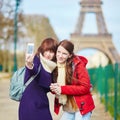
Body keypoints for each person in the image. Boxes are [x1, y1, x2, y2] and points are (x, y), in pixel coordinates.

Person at [50, 40, 95, 120]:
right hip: (68, 108)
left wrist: (62, 89)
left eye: (64, 53)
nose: (60, 56)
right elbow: (56, 89)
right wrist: (54, 88)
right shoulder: (55, 66)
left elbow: (85, 87)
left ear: (70, 55)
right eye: (59, 52)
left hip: (81, 107)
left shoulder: (78, 65)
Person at [19, 38, 58, 120]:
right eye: (46, 50)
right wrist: (29, 64)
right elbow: (33, 70)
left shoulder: (52, 67)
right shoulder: (36, 60)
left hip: (42, 103)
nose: (48, 54)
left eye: (51, 52)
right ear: (42, 50)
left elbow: (50, 87)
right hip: (30, 104)